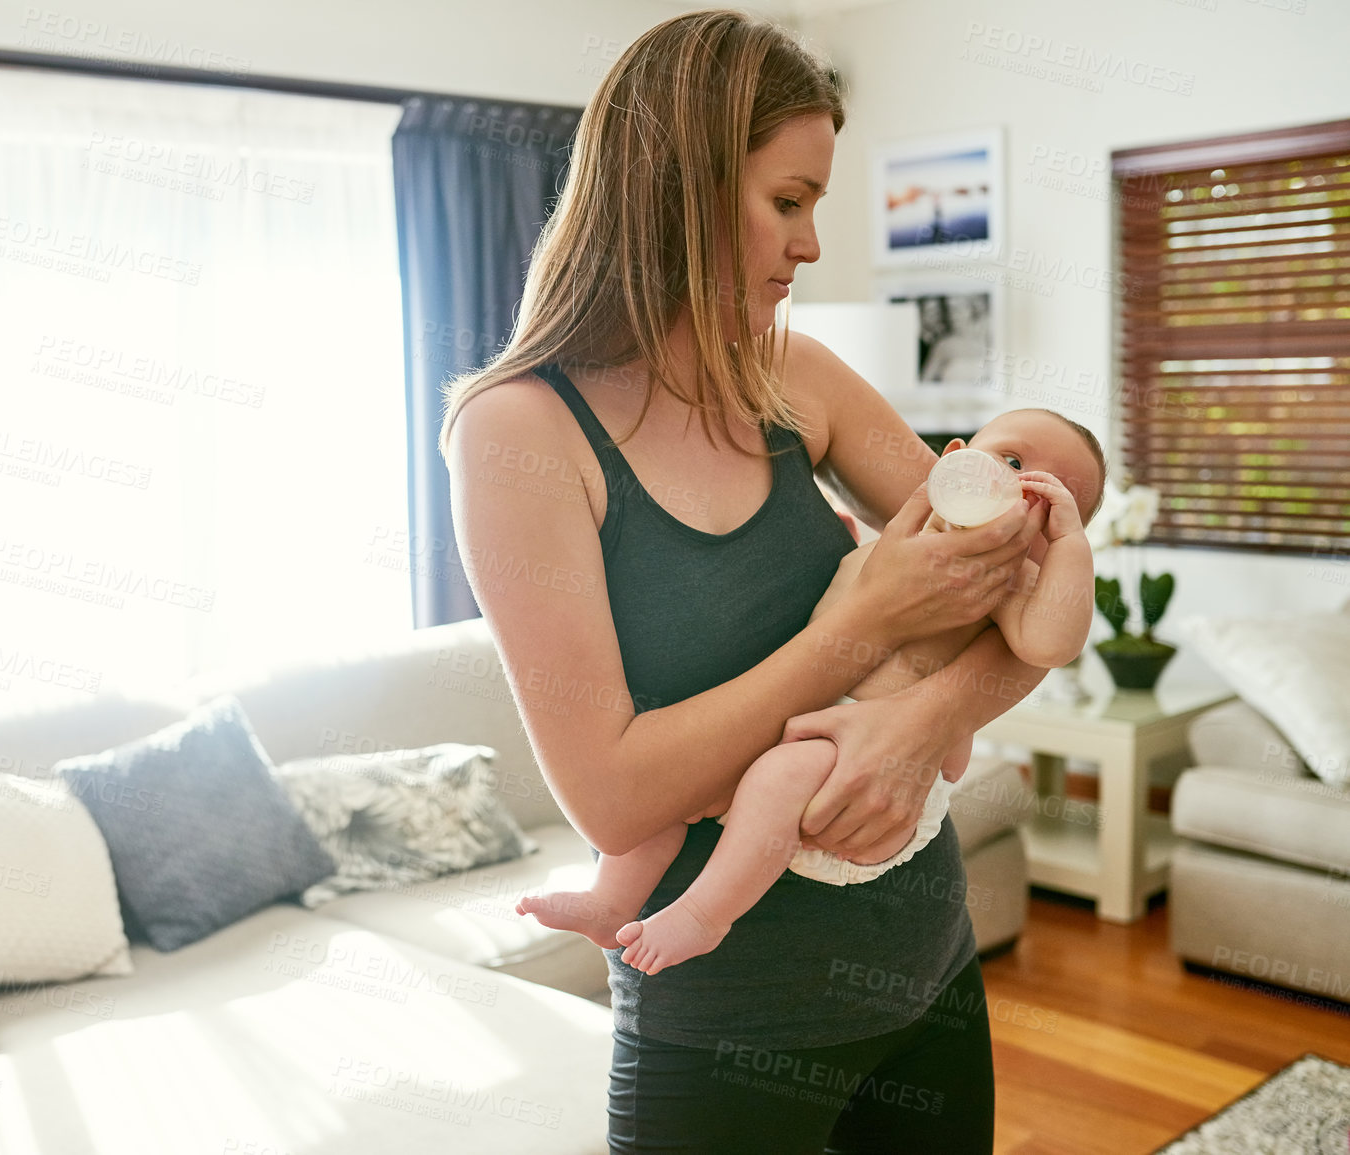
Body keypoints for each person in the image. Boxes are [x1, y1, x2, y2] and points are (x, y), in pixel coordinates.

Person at [439, 10, 1056, 1152]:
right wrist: (864, 617)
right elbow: (613, 799)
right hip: (721, 1036)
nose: (813, 243)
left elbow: (1016, 577)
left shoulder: (797, 380)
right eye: (789, 201)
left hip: (928, 977)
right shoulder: (521, 431)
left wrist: (917, 723)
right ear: (674, 189)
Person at [516, 408, 1106, 977]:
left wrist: (1071, 548)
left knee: (779, 777)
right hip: (799, 726)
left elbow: (1052, 644)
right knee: (671, 788)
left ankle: (704, 915)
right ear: (954, 461)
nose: (1025, 489)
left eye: (1055, 499)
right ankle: (611, 902)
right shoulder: (895, 540)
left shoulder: (1005, 581)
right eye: (1008, 458)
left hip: (869, 778)